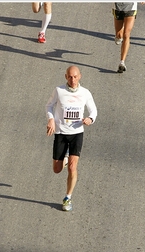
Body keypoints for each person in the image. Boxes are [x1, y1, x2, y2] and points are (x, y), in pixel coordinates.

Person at [46, 66, 98, 211]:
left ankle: (67, 198)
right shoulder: (59, 91)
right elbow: (49, 106)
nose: (73, 80)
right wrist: (51, 119)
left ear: (80, 76)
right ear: (65, 77)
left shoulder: (85, 93)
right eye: (70, 77)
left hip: (77, 133)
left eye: (75, 77)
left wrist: (90, 119)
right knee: (57, 169)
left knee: (72, 167)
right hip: (61, 133)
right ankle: (65, 158)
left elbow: (93, 110)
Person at [112, 2, 144, 73]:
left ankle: (122, 62)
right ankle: (120, 34)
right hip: (118, 6)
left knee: (126, 34)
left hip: (131, 6)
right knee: (119, 35)